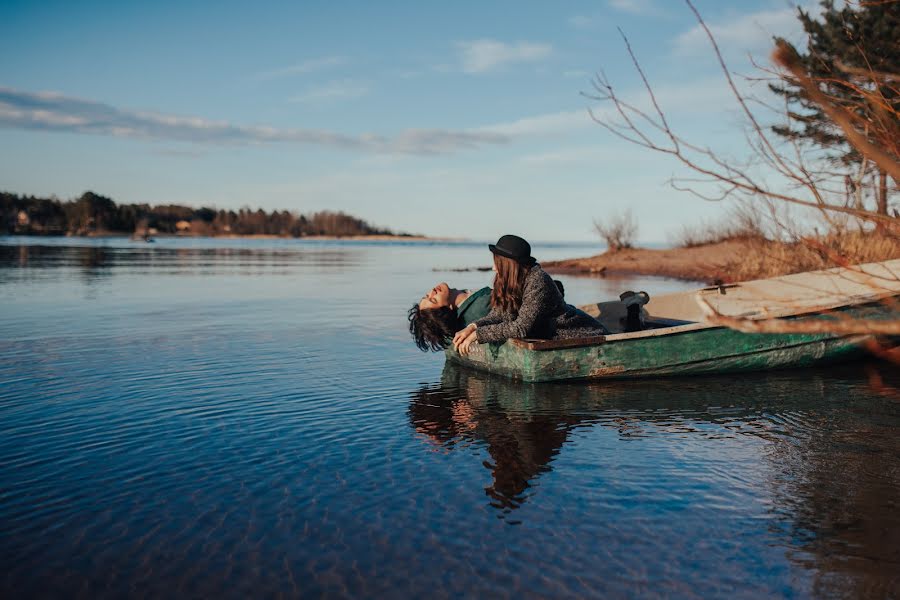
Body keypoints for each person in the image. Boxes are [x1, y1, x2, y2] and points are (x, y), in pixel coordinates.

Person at [452, 234, 606, 355]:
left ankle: (631, 308)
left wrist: (479, 335)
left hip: (578, 334)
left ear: (508, 264)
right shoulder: (509, 280)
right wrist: (472, 327)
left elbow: (521, 328)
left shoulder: (538, 280)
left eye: (497, 263)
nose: (493, 268)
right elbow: (497, 315)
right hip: (546, 336)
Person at [408, 279, 569, 352]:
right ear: (448, 308)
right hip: (545, 311)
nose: (432, 292)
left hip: (538, 302)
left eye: (427, 296)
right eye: (434, 299)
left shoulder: (469, 302)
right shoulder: (480, 308)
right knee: (554, 286)